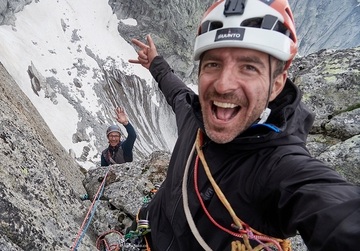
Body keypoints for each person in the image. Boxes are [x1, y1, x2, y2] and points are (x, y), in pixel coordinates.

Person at [128, 0, 360, 250]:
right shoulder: (194, 119)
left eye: (248, 67)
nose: (223, 85)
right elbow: (177, 92)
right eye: (213, 64)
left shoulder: (280, 168)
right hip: (149, 233)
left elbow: (335, 209)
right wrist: (155, 63)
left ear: (277, 84)